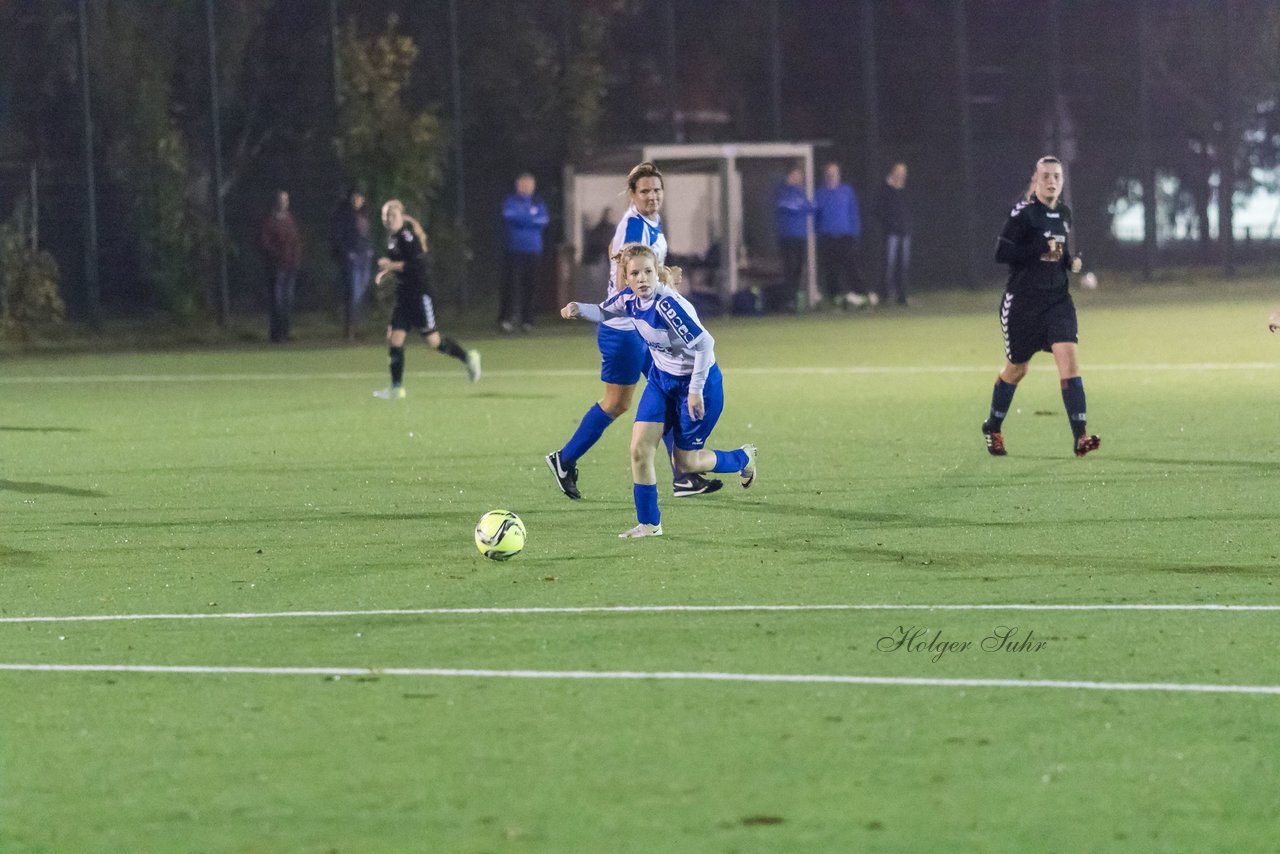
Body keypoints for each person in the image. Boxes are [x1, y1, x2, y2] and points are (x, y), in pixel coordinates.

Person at [545, 161, 722, 500]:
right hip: (625, 328)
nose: (652, 196)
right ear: (632, 194)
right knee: (616, 403)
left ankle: (684, 475)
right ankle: (564, 460)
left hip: (642, 326)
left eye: (657, 190)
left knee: (666, 392)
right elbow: (627, 266)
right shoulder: (634, 229)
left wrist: (665, 273)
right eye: (645, 191)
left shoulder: (649, 224)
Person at [560, 243, 757, 538]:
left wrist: (695, 390)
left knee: (686, 462)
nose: (642, 278)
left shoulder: (667, 305)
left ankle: (743, 458)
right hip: (661, 381)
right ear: (626, 277)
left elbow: (705, 344)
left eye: (648, 272)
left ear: (656, 273)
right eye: (635, 273)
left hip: (698, 385)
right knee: (639, 450)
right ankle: (650, 524)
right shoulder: (628, 299)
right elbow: (604, 311)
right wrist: (579, 309)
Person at [981, 155, 1100, 458]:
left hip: (1057, 301)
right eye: (1045, 176)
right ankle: (993, 426)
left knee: (1069, 361)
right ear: (1035, 181)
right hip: (1022, 305)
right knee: (1017, 369)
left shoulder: (1064, 213)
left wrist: (1070, 261)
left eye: (1057, 177)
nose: (1051, 182)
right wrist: (1038, 247)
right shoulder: (1023, 214)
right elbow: (1001, 253)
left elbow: (1060, 250)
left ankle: (1080, 437)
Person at [372, 199, 480, 398]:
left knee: (434, 341)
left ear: (401, 216)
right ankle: (396, 388)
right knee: (395, 338)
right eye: (386, 215)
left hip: (419, 295)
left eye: (393, 215)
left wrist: (390, 266)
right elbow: (399, 264)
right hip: (403, 296)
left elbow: (416, 266)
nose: (389, 219)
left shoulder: (408, 237)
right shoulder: (392, 237)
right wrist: (385, 273)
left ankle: (468, 357)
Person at [814, 162, 875, 309]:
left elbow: (854, 213)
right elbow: (816, 216)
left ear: (839, 175)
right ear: (825, 175)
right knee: (831, 271)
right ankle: (835, 299)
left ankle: (862, 296)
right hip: (827, 237)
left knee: (852, 268)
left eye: (834, 173)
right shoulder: (820, 193)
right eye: (829, 173)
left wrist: (854, 233)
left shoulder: (847, 191)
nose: (832, 176)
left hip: (846, 236)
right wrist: (818, 234)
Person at [498, 172, 550, 333]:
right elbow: (509, 216)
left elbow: (543, 220)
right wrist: (529, 219)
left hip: (533, 250)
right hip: (513, 249)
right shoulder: (510, 201)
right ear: (518, 186)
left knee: (530, 286)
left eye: (530, 185)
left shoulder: (538, 202)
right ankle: (506, 319)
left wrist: (524, 219)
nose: (527, 187)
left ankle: (527, 320)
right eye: (524, 184)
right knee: (511, 285)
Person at [330, 185, 374, 340]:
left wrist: (369, 250)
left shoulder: (364, 214)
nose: (358, 201)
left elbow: (367, 234)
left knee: (360, 293)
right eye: (355, 197)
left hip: (364, 257)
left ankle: (356, 327)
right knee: (353, 293)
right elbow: (337, 236)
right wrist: (347, 253)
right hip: (352, 258)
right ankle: (350, 328)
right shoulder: (343, 214)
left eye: (360, 198)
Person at [259, 189, 302, 343]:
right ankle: (276, 333)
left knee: (288, 300)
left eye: (286, 200)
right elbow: (265, 243)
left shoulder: (290, 219)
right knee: (276, 300)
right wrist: (277, 256)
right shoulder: (270, 221)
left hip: (290, 266)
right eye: (281, 200)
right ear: (276, 201)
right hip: (277, 267)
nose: (284, 203)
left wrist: (296, 259)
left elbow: (296, 241)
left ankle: (285, 331)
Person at [775, 165, 814, 300]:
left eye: (799, 176)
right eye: (795, 175)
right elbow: (788, 206)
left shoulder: (800, 193)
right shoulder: (783, 192)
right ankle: (787, 299)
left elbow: (810, 207)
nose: (798, 178)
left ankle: (794, 299)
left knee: (798, 269)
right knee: (789, 269)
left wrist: (801, 205)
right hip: (788, 237)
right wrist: (800, 206)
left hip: (800, 237)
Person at [876, 161, 912, 306]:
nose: (901, 175)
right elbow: (879, 210)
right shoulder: (886, 190)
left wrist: (908, 226)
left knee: (903, 265)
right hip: (891, 233)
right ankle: (884, 295)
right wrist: (890, 224)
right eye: (899, 171)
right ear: (893, 172)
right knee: (889, 264)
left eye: (904, 172)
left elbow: (908, 210)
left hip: (905, 232)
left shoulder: (905, 191)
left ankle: (902, 296)